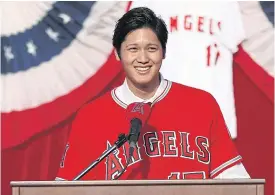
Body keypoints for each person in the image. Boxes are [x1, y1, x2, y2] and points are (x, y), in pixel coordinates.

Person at [56, 7, 250, 181]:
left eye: (151, 49)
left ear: (164, 52)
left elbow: (234, 180)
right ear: (117, 53)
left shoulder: (201, 105)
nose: (143, 59)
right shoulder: (90, 117)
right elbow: (65, 188)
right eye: (133, 49)